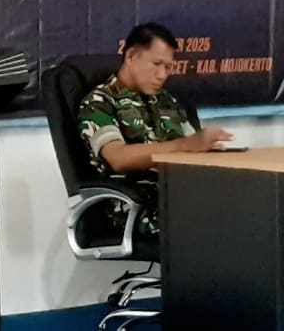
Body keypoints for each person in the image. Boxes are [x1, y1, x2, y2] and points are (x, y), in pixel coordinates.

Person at [78, 23, 233, 236]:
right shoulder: (99, 102)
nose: (162, 75)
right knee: (220, 223)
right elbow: (118, 157)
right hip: (137, 209)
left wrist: (209, 148)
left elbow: (194, 147)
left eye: (168, 67)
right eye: (156, 64)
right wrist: (184, 145)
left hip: (180, 198)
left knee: (246, 206)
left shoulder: (166, 101)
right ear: (131, 56)